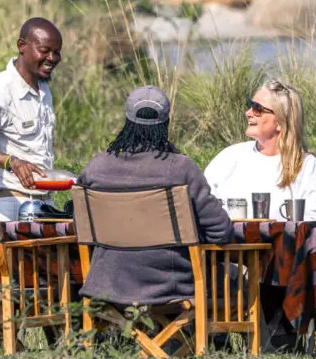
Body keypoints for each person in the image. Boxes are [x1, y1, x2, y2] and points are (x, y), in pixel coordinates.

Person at [78, 85, 233, 306]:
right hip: (170, 287)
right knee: (233, 280)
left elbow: (82, 226)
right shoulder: (181, 168)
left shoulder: (96, 167)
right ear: (166, 123)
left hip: (106, 286)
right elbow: (221, 230)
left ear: (127, 121)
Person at [0, 17, 63, 221]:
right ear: (21, 46)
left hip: (43, 205)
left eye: (57, 52)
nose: (52, 58)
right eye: (44, 51)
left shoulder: (43, 90)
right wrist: (11, 163)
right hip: (11, 208)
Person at [204, 79, 316, 222]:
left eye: (257, 108)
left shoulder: (306, 166)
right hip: (228, 242)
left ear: (281, 122)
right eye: (250, 105)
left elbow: (315, 221)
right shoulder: (229, 157)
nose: (248, 113)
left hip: (285, 243)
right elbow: (201, 204)